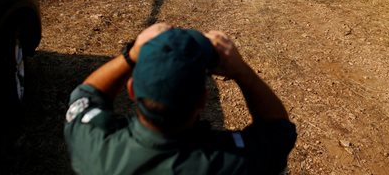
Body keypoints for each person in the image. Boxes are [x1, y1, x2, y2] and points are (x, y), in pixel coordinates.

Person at [64, 23, 297, 174]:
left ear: (132, 90)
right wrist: (242, 72)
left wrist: (131, 54)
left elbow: (85, 95)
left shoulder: (95, 148)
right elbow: (279, 130)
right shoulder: (237, 164)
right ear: (202, 101)